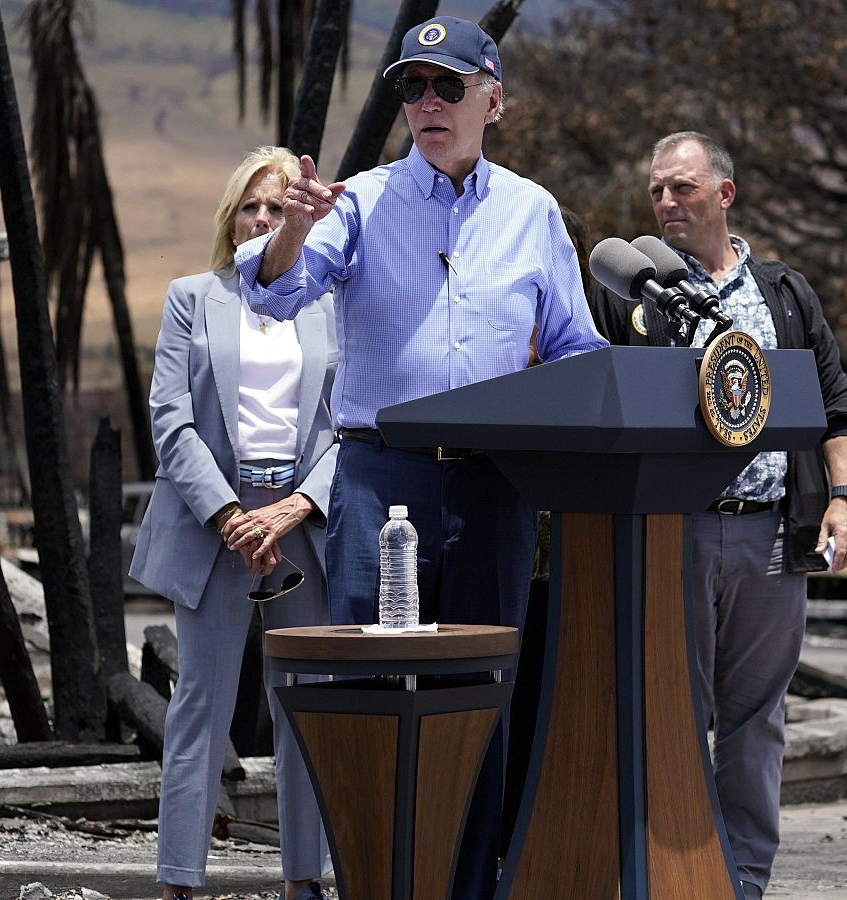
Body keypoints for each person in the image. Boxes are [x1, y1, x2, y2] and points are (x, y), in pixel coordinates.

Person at [230, 16, 606, 900]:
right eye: (412, 88)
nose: (427, 104)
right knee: (367, 688)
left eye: (447, 86)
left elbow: (577, 350)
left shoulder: (533, 212)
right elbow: (273, 290)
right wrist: (289, 228)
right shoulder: (356, 201)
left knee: (482, 702)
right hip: (379, 478)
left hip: (496, 483)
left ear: (493, 100)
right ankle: (371, 885)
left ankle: (469, 888)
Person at [594, 131, 847, 899]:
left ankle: (742, 880)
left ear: (725, 195)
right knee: (672, 712)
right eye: (656, 191)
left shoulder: (784, 293)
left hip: (770, 535)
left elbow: (836, 410)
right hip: (671, 531)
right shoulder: (631, 293)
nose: (666, 202)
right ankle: (669, 873)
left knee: (756, 721)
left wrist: (845, 501)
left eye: (682, 188)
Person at [129, 146, 337, 900]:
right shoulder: (193, 297)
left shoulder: (330, 303)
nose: (262, 218)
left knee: (305, 704)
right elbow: (172, 421)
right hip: (212, 521)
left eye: (279, 207)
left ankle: (303, 880)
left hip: (301, 524)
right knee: (198, 707)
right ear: (230, 217)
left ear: (301, 220)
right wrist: (229, 515)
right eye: (250, 205)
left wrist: (295, 506)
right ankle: (179, 880)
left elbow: (349, 424)